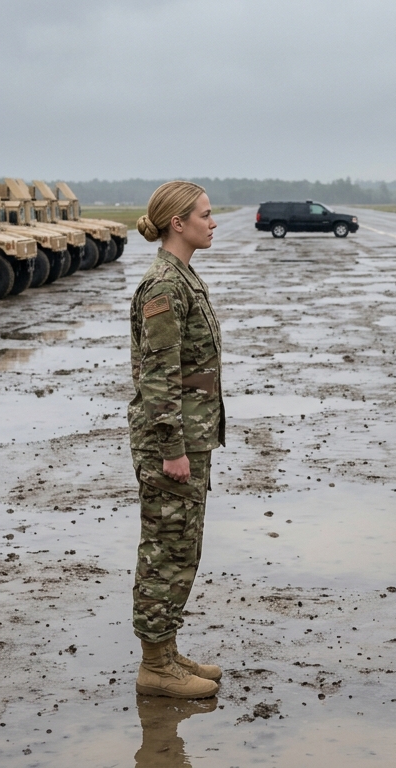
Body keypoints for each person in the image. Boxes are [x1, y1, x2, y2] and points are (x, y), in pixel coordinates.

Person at [127, 181, 225, 699]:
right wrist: (172, 450)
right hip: (173, 442)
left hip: (189, 436)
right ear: (177, 223)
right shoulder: (165, 285)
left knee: (182, 546)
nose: (212, 223)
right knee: (166, 550)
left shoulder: (184, 277)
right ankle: (155, 666)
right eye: (205, 215)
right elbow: (160, 377)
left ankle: (164, 650)